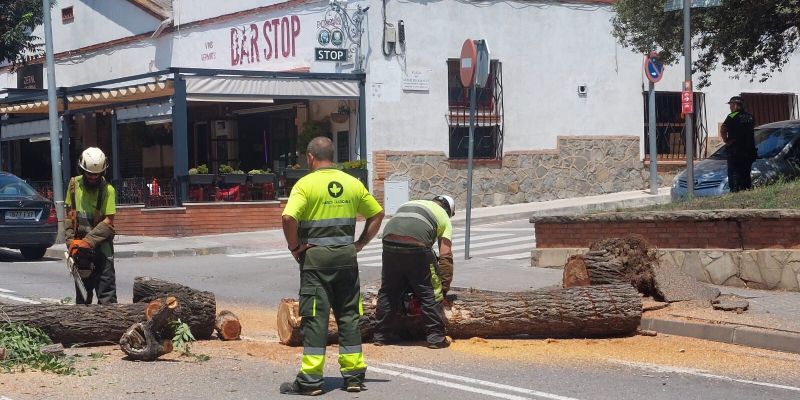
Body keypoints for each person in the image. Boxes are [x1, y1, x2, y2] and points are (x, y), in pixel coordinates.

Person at [280, 137, 384, 396]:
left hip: (316, 260)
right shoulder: (352, 183)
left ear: (310, 157)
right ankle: (354, 377)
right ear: (332, 156)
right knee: (349, 315)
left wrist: (294, 248)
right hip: (347, 259)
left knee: (316, 318)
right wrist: (360, 243)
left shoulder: (305, 184)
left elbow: (288, 217)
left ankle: (311, 381)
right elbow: (377, 213)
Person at [373, 195, 456, 349]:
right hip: (417, 245)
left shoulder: (411, 203)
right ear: (448, 210)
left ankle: (381, 335)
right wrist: (443, 288)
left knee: (388, 290)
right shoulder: (443, 216)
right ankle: (436, 337)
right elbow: (445, 255)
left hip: (389, 241)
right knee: (429, 291)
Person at [65, 147, 117, 304]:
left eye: (96, 174)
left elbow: (109, 221)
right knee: (83, 298)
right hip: (81, 252)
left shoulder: (108, 190)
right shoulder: (74, 185)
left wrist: (87, 242)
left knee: (107, 297)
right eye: (89, 174)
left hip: (102, 250)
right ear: (82, 169)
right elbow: (70, 215)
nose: (93, 178)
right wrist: (70, 242)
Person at [720, 96, 757, 192]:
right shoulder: (750, 116)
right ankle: (746, 189)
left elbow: (723, 129)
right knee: (746, 171)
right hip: (749, 150)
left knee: (734, 171)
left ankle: (735, 191)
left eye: (731, 105)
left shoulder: (731, 116)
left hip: (735, 150)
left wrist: (726, 140)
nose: (730, 107)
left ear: (736, 106)